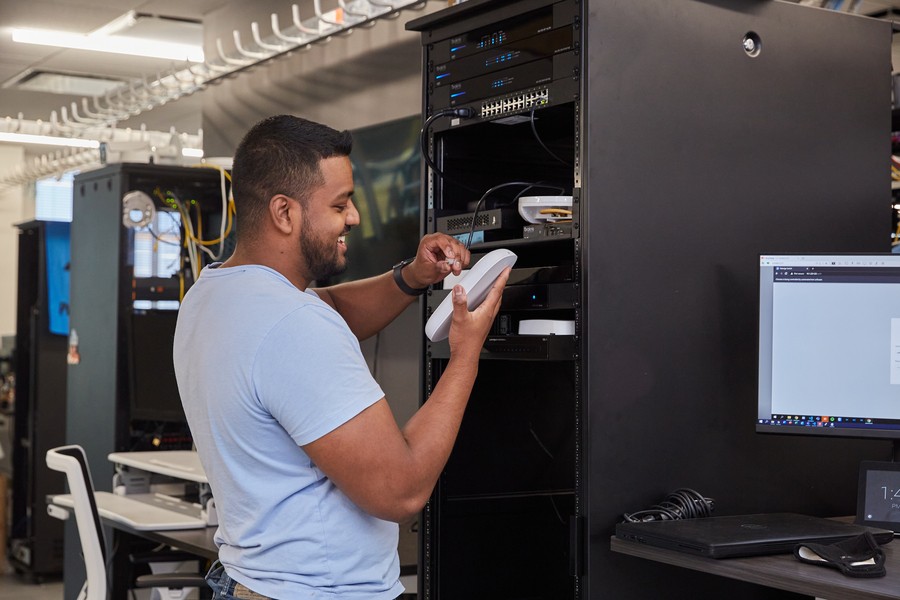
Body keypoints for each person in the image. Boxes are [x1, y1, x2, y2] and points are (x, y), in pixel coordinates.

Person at [173, 114, 509, 600]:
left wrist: (411, 277)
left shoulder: (211, 296)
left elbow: (327, 306)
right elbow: (401, 490)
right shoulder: (293, 325)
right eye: (339, 204)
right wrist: (465, 356)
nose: (353, 217)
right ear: (284, 213)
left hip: (251, 580)